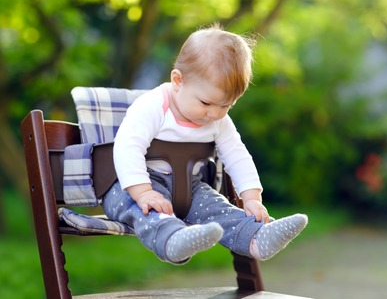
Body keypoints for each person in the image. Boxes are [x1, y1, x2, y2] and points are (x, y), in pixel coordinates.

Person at [103, 24, 308, 264]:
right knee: (146, 212)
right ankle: (173, 240)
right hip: (135, 186)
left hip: (189, 187)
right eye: (206, 103)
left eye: (226, 106)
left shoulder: (219, 121)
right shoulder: (153, 106)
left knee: (219, 208)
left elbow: (237, 155)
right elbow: (128, 147)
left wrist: (252, 197)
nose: (214, 114)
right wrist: (143, 192)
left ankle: (256, 238)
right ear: (178, 80)